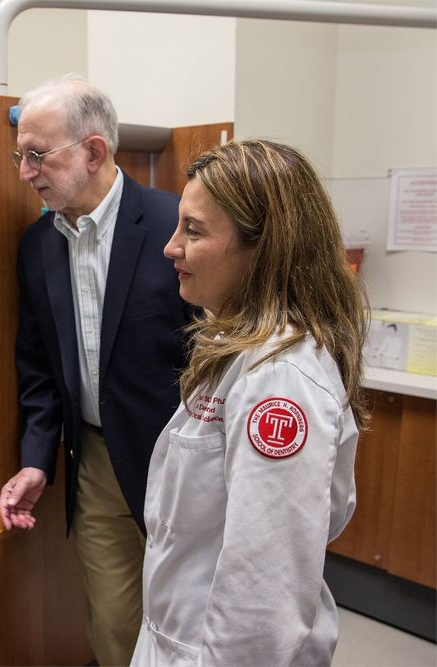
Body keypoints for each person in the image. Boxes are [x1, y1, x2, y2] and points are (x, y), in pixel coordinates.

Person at [130, 139, 367, 665]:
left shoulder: (280, 380)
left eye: (193, 231)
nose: (171, 247)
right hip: (177, 638)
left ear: (262, 248)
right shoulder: (239, 348)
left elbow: (263, 597)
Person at [0, 74, 193, 666]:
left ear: (94, 151)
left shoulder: (176, 227)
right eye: (19, 156)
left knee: (191, 620)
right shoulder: (38, 245)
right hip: (97, 464)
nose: (25, 172)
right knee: (112, 622)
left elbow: (221, 352)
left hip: (182, 462)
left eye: (38, 155)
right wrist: (36, 459)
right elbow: (39, 367)